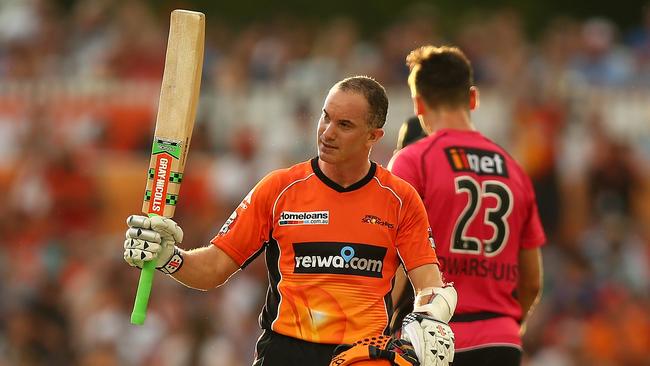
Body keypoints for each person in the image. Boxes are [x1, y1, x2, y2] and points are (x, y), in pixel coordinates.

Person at [123, 76, 457, 366]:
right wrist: (169, 257)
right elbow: (213, 269)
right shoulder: (278, 189)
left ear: (374, 136)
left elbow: (428, 282)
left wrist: (430, 318)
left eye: (344, 125)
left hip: (362, 358)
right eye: (325, 118)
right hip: (285, 353)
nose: (327, 132)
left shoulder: (400, 198)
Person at [388, 46, 546, 366]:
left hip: (432, 340)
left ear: (419, 103)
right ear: (473, 98)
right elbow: (531, 281)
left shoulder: (413, 161)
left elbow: (393, 261)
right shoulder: (513, 169)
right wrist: (508, 327)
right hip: (501, 339)